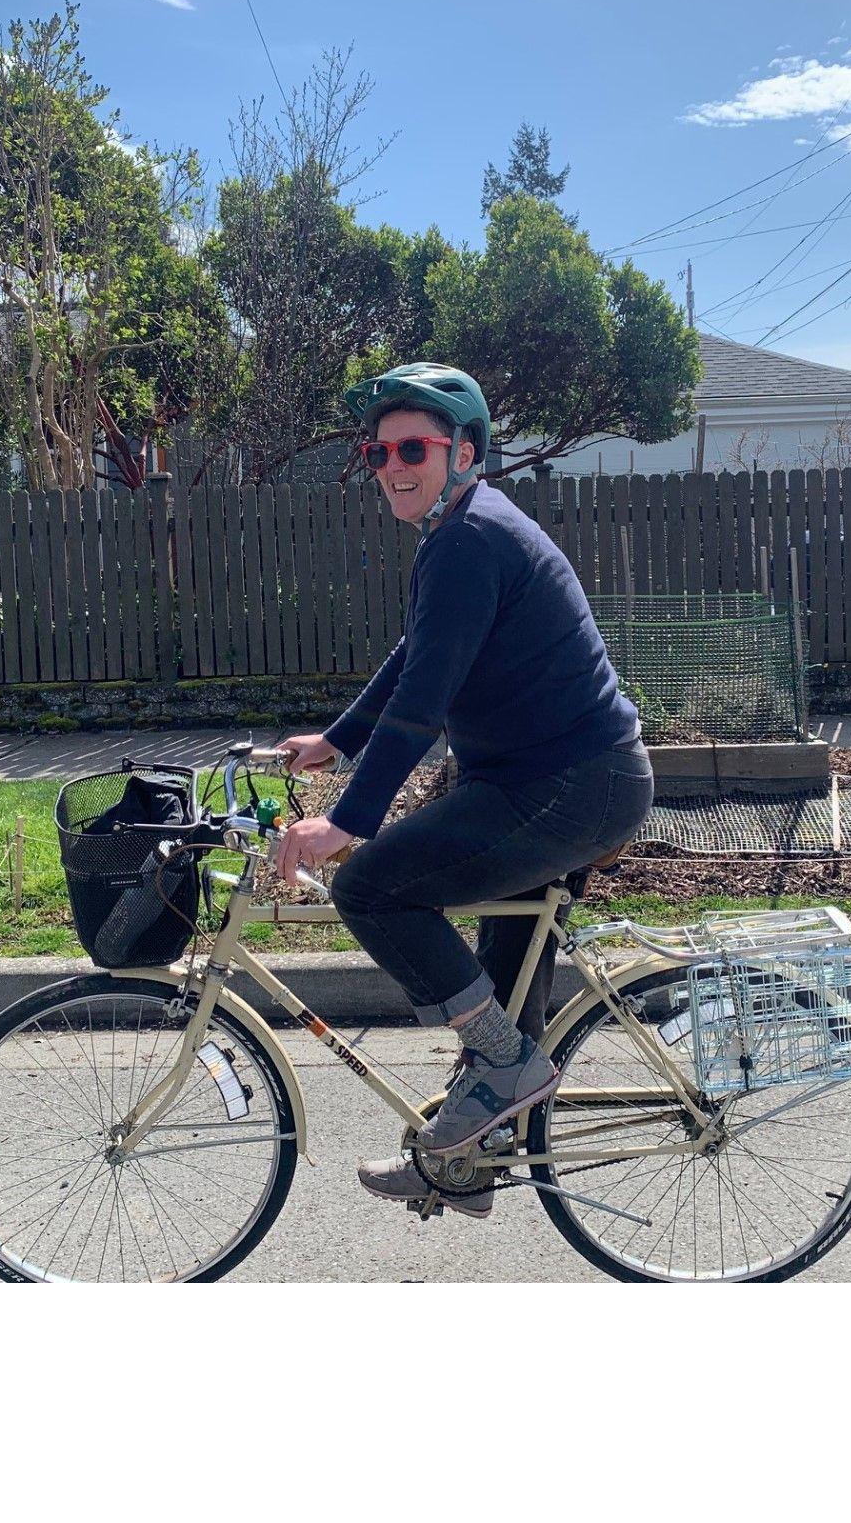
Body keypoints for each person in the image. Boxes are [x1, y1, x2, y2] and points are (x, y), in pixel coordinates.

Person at [274, 362, 654, 1218]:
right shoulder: (461, 532)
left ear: (465, 449)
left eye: (414, 446)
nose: (392, 465)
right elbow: (418, 656)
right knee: (504, 977)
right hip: (553, 781)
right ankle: (472, 1157)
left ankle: (503, 1072)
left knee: (372, 887)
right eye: (378, 452)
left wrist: (347, 824)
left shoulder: (470, 538)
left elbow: (426, 698)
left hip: (569, 786)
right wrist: (336, 742)